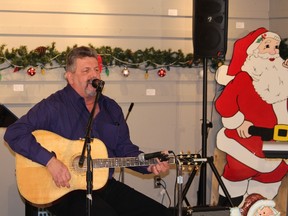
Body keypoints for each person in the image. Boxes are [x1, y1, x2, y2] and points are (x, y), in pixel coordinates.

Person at [4, 46, 172, 216]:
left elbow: (125, 148)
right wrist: (50, 161)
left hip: (104, 184)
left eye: (96, 70)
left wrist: (149, 164)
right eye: (86, 70)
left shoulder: (111, 108)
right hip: (65, 189)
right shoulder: (54, 106)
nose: (94, 75)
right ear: (70, 77)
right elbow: (14, 133)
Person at [214, 27, 288, 206]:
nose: (272, 51)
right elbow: (224, 104)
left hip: (277, 144)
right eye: (267, 46)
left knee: (269, 184)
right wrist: (238, 121)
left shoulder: (284, 80)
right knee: (236, 180)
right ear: (254, 53)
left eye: (276, 47)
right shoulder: (244, 78)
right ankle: (229, 208)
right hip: (246, 142)